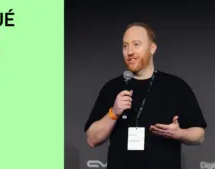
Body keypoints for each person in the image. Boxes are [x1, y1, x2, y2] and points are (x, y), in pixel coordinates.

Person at [84, 22, 207, 169]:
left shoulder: (176, 86)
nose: (129, 51)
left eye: (136, 44)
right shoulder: (112, 88)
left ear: (152, 48)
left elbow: (199, 135)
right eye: (125, 46)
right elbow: (91, 139)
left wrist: (179, 134)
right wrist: (113, 113)